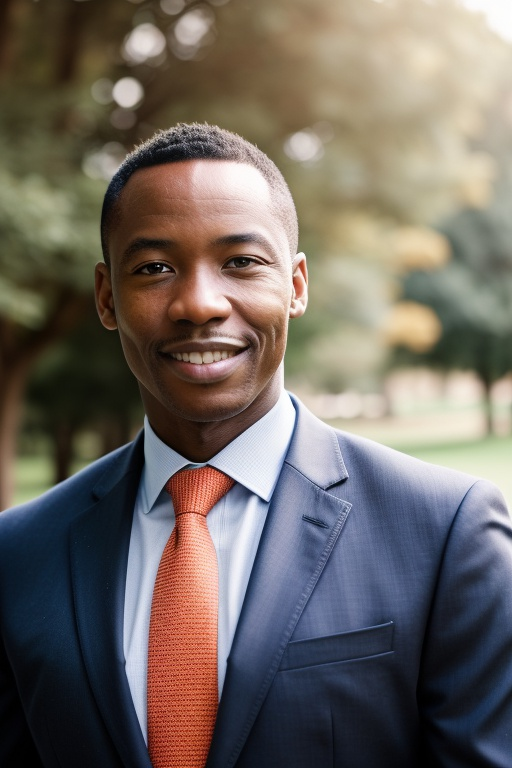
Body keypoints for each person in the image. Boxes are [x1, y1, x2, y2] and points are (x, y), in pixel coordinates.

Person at [1, 123, 512, 768]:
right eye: (154, 268)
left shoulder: (445, 533)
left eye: (241, 262)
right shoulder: (17, 555)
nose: (199, 303)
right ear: (107, 297)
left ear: (296, 285)